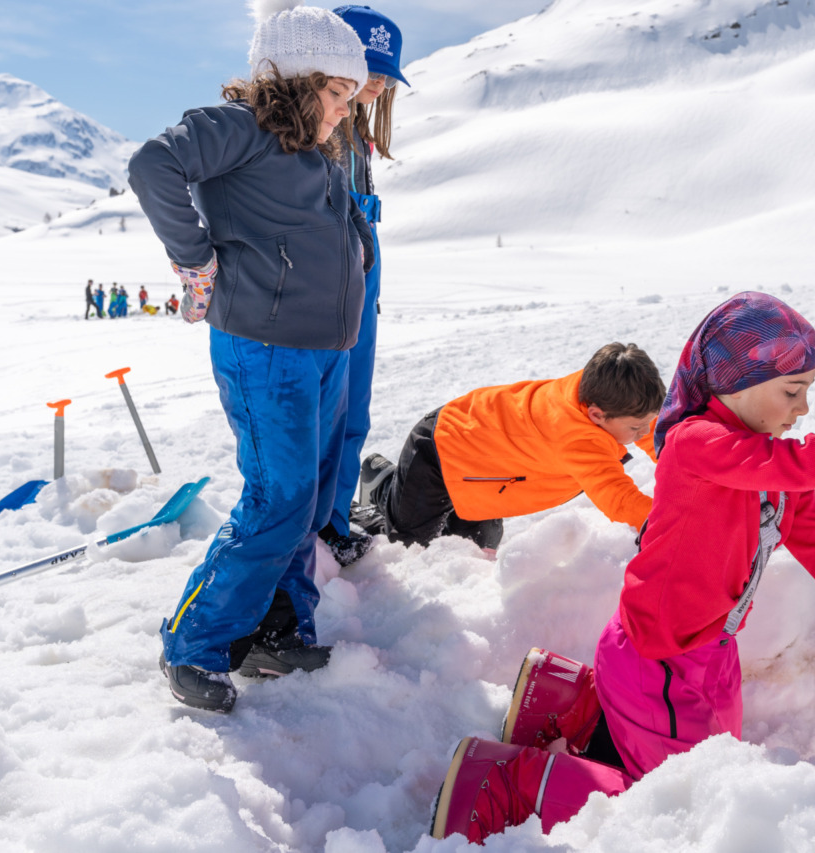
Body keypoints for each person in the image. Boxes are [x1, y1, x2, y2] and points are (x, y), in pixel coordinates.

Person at [428, 293, 815, 843]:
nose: (804, 409)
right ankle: (506, 784)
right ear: (738, 385)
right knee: (677, 802)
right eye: (792, 391)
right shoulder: (695, 444)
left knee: (712, 764)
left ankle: (571, 706)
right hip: (661, 663)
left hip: (706, 655)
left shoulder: (773, 473)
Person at [128, 0, 373, 713]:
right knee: (278, 495)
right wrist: (196, 258)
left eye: (350, 100)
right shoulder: (240, 127)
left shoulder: (313, 151)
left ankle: (274, 624)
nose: (342, 113)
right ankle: (192, 641)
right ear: (297, 79)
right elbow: (153, 166)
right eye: (336, 95)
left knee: (311, 495)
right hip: (265, 349)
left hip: (323, 350)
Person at [355, 342, 664, 554]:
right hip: (438, 452)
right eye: (635, 428)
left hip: (481, 469)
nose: (642, 432)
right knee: (408, 549)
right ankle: (368, 500)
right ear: (596, 415)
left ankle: (396, 492)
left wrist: (685, 464)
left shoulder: (605, 392)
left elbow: (654, 433)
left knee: (476, 545)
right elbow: (619, 498)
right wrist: (671, 524)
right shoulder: (576, 435)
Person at [316, 4, 411, 567]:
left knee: (353, 411)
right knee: (325, 413)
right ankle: (316, 525)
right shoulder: (319, 132)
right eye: (367, 66)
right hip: (329, 286)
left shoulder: (357, 137)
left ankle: (331, 520)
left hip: (360, 280)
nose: (377, 81)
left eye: (385, 72)